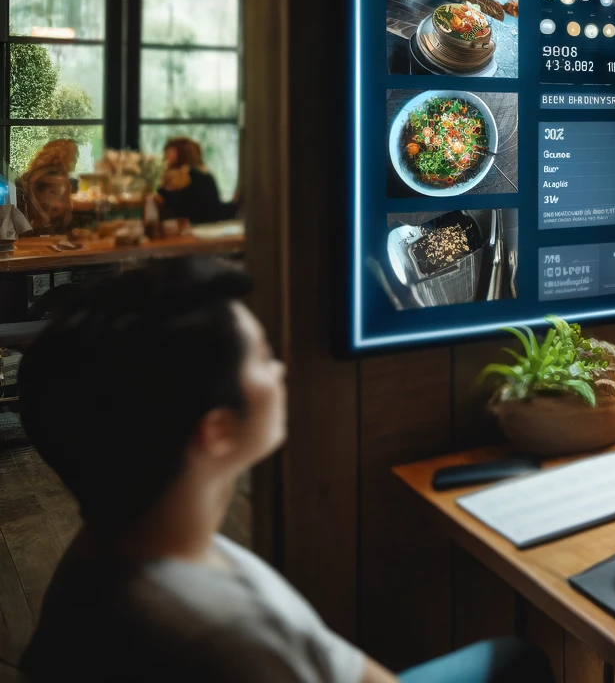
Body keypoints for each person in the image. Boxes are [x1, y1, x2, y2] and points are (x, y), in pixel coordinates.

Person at [17, 258, 551, 682]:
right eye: (262, 357)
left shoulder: (126, 536)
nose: (280, 370)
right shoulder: (226, 641)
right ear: (218, 431)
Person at [156, 137, 231, 224]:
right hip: (207, 225)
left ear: (179, 153)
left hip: (196, 226)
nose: (165, 157)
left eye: (168, 152)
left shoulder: (187, 176)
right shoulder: (202, 174)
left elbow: (175, 203)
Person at [16, 139, 77, 235]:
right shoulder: (52, 178)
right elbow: (58, 207)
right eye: (73, 156)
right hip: (35, 232)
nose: (75, 160)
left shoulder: (32, 174)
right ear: (64, 156)